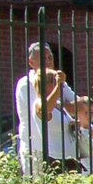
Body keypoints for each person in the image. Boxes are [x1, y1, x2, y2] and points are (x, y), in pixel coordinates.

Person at [13, 42, 80, 174]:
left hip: (62, 150)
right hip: (36, 149)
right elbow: (43, 109)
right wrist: (61, 102)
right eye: (44, 58)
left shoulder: (59, 82)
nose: (48, 61)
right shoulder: (26, 83)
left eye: (50, 57)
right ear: (31, 62)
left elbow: (79, 105)